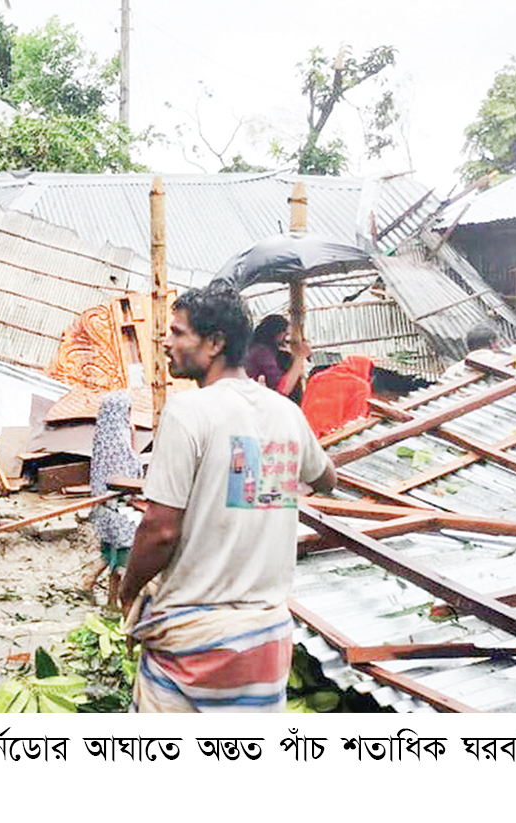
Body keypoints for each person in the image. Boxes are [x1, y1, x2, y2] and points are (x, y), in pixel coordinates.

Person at [119, 281, 336, 713]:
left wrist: (128, 591)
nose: (166, 342)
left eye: (178, 333)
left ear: (215, 342)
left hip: (193, 644)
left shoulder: (187, 413)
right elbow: (326, 477)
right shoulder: (286, 414)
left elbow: (160, 530)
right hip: (264, 644)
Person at [81, 392, 143, 610]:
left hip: (102, 503)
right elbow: (132, 468)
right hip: (120, 504)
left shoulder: (102, 433)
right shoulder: (122, 436)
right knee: (123, 555)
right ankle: (113, 603)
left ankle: (90, 582)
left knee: (109, 550)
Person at [244, 314, 309, 403]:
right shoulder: (262, 352)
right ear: (276, 333)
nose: (285, 340)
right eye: (284, 335)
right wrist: (300, 357)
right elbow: (282, 389)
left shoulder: (255, 349)